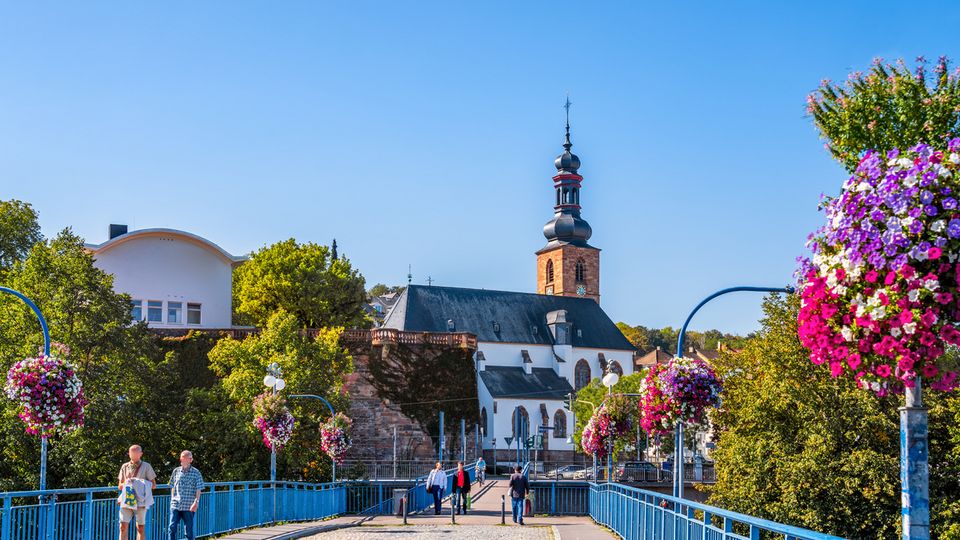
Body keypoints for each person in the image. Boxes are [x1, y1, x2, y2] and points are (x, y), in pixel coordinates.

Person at [117, 445, 157, 540]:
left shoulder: (146, 466)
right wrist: (128, 483)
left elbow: (154, 485)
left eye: (136, 453)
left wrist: (138, 483)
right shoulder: (124, 466)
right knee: (122, 527)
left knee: (140, 528)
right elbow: (120, 486)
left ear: (141, 454)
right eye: (132, 453)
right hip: (127, 499)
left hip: (141, 501)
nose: (134, 455)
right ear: (129, 454)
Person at [168, 450, 204, 540]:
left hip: (189, 506)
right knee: (171, 527)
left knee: (188, 531)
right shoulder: (176, 471)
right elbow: (172, 486)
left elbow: (199, 488)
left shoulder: (196, 472)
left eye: (184, 457)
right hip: (176, 504)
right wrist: (172, 499)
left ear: (190, 460)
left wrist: (196, 502)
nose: (182, 459)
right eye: (181, 457)